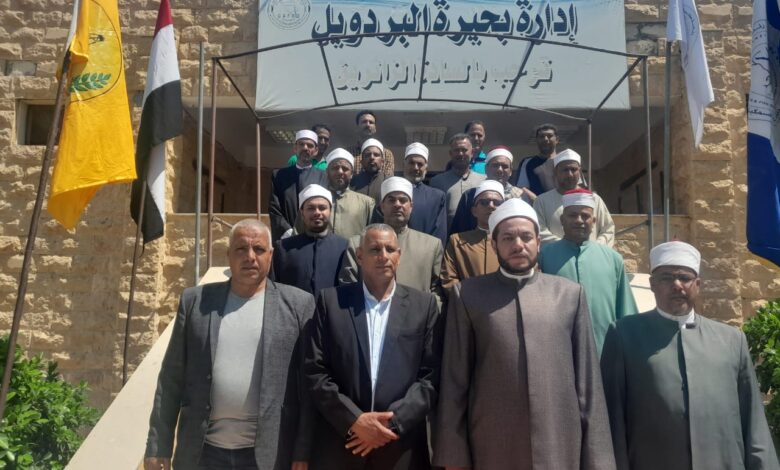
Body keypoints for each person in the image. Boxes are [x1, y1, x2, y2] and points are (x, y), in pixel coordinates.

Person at [434, 198, 616, 470]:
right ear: (494, 244)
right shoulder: (469, 294)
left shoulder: (569, 294)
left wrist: (598, 460)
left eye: (526, 237)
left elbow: (588, 384)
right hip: (492, 445)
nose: (518, 245)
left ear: (538, 243)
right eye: (508, 238)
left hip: (560, 445)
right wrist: (454, 457)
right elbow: (455, 381)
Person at [144, 219, 315, 470]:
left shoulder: (299, 305)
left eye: (258, 249)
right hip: (203, 453)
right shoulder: (196, 302)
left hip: (269, 455)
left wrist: (303, 451)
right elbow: (171, 378)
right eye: (241, 249)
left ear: (271, 255)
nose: (250, 257)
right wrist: (158, 446)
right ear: (228, 255)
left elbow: (308, 388)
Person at [601, 241, 780, 470]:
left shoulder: (731, 340)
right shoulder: (624, 335)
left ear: (697, 285)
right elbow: (611, 420)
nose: (677, 285)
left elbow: (754, 422)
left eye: (684, 278)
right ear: (652, 284)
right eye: (666, 278)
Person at [304, 223, 442, 470]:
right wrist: (354, 421)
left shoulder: (424, 306)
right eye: (375, 249)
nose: (383, 256)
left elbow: (430, 377)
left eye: (390, 249)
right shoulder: (332, 302)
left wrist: (391, 424)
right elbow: (316, 371)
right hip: (343, 444)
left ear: (399, 255)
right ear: (359, 256)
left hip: (400, 448)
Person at [539, 189, 638, 355]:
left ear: (594, 221)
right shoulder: (544, 257)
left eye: (585, 216)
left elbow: (626, 312)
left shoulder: (613, 259)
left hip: (605, 353)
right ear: (562, 220)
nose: (579, 220)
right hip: (558, 353)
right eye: (572, 215)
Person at [340, 177, 443, 303]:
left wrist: (427, 313)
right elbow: (348, 288)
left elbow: (437, 291)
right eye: (391, 200)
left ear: (411, 206)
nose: (397, 204)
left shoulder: (431, 246)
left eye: (403, 200)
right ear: (382, 206)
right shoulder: (358, 243)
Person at [271, 184, 348, 299]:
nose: (317, 212)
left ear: (330, 211)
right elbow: (274, 288)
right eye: (311, 208)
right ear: (302, 212)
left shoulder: (344, 247)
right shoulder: (283, 248)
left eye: (322, 208)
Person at [533, 148, 615, 247]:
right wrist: (565, 247)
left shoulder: (594, 199)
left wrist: (592, 249)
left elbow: (608, 229)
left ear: (579, 172)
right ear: (556, 172)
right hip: (557, 255)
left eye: (573, 169)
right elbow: (539, 230)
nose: (570, 174)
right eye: (565, 170)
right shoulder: (542, 201)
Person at [372, 143, 447, 246]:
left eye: (420, 164)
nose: (415, 168)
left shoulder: (437, 197)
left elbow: (439, 234)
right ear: (404, 165)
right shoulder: (387, 192)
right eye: (411, 163)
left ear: (426, 168)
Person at [448, 146, 530, 235]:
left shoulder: (520, 197)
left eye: (505, 166)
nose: (500, 170)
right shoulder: (470, 195)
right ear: (486, 169)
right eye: (495, 165)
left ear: (510, 171)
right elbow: (459, 230)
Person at [440, 180, 502, 294]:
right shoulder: (457, 241)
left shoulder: (512, 242)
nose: (491, 206)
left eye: (497, 202)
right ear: (474, 211)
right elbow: (449, 279)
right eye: (484, 202)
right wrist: (469, 300)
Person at [269, 129, 328, 240]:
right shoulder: (279, 175)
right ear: (295, 148)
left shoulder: (324, 177)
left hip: (314, 236)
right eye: (301, 144)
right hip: (286, 237)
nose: (305, 148)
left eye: (310, 145)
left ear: (316, 151)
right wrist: (287, 230)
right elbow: (274, 207)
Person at [429, 133, 485, 227]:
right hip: (448, 234)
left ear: (472, 153)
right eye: (456, 150)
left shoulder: (483, 180)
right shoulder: (436, 181)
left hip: (476, 234)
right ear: (450, 154)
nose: (460, 153)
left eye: (464, 150)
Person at [512, 123, 559, 198]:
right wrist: (539, 201)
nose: (545, 139)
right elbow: (522, 189)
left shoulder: (565, 160)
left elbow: (575, 186)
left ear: (557, 140)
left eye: (549, 136)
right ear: (537, 140)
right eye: (541, 136)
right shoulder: (527, 163)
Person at [350, 110, 395, 177]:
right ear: (357, 127)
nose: (368, 125)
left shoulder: (386, 154)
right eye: (364, 122)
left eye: (371, 122)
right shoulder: (348, 153)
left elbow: (388, 178)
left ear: (375, 128)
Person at [351, 138, 387, 204]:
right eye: (367, 155)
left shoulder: (388, 181)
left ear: (382, 161)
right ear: (361, 162)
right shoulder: (352, 182)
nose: (372, 157)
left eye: (376, 155)